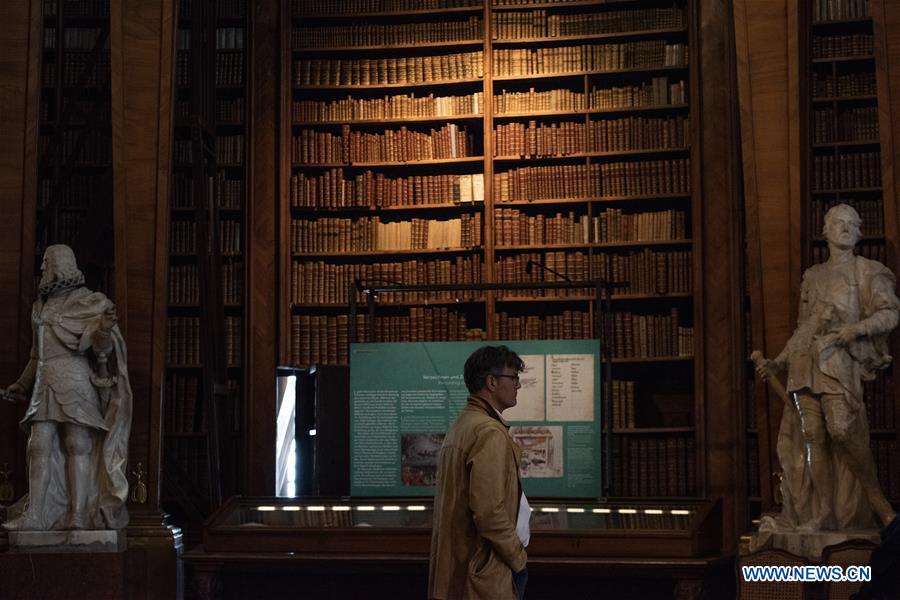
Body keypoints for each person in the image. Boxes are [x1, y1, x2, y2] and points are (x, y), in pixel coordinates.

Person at [756, 204, 898, 531]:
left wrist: (856, 329)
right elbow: (803, 329)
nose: (845, 228)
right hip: (804, 366)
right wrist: (778, 362)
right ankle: (822, 514)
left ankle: (877, 501)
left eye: (852, 224)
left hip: (839, 363)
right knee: (811, 436)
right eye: (838, 223)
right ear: (826, 231)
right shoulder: (813, 276)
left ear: (860, 232)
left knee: (841, 430)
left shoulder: (868, 271)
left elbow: (891, 313)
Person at [2, 244, 132, 531]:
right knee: (38, 445)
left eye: (46, 263)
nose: (42, 269)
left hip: (76, 380)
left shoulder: (89, 302)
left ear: (60, 264)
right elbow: (36, 356)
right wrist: (22, 385)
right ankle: (36, 515)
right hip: (44, 382)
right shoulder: (40, 305)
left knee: (78, 444)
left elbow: (102, 350)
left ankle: (78, 515)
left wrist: (104, 329)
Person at [429, 345, 530, 600]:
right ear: (492, 382)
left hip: (461, 567)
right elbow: (489, 512)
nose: (518, 385)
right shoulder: (489, 432)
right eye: (513, 378)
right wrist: (518, 558)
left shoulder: (463, 424)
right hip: (483, 572)